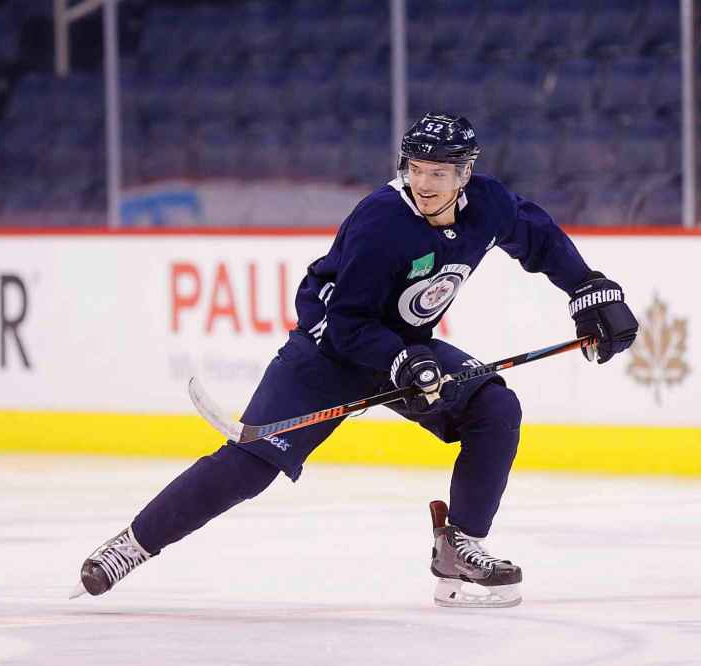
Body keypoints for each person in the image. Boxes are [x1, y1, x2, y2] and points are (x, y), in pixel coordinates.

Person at [69, 112, 639, 608]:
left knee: (494, 408)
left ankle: (458, 545)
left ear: (465, 175)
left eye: (439, 173)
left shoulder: (487, 205)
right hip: (328, 351)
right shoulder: (381, 220)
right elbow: (348, 324)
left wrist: (589, 289)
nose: (424, 183)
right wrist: (402, 363)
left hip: (400, 346)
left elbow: (537, 238)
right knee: (250, 465)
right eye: (415, 168)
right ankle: (131, 546)